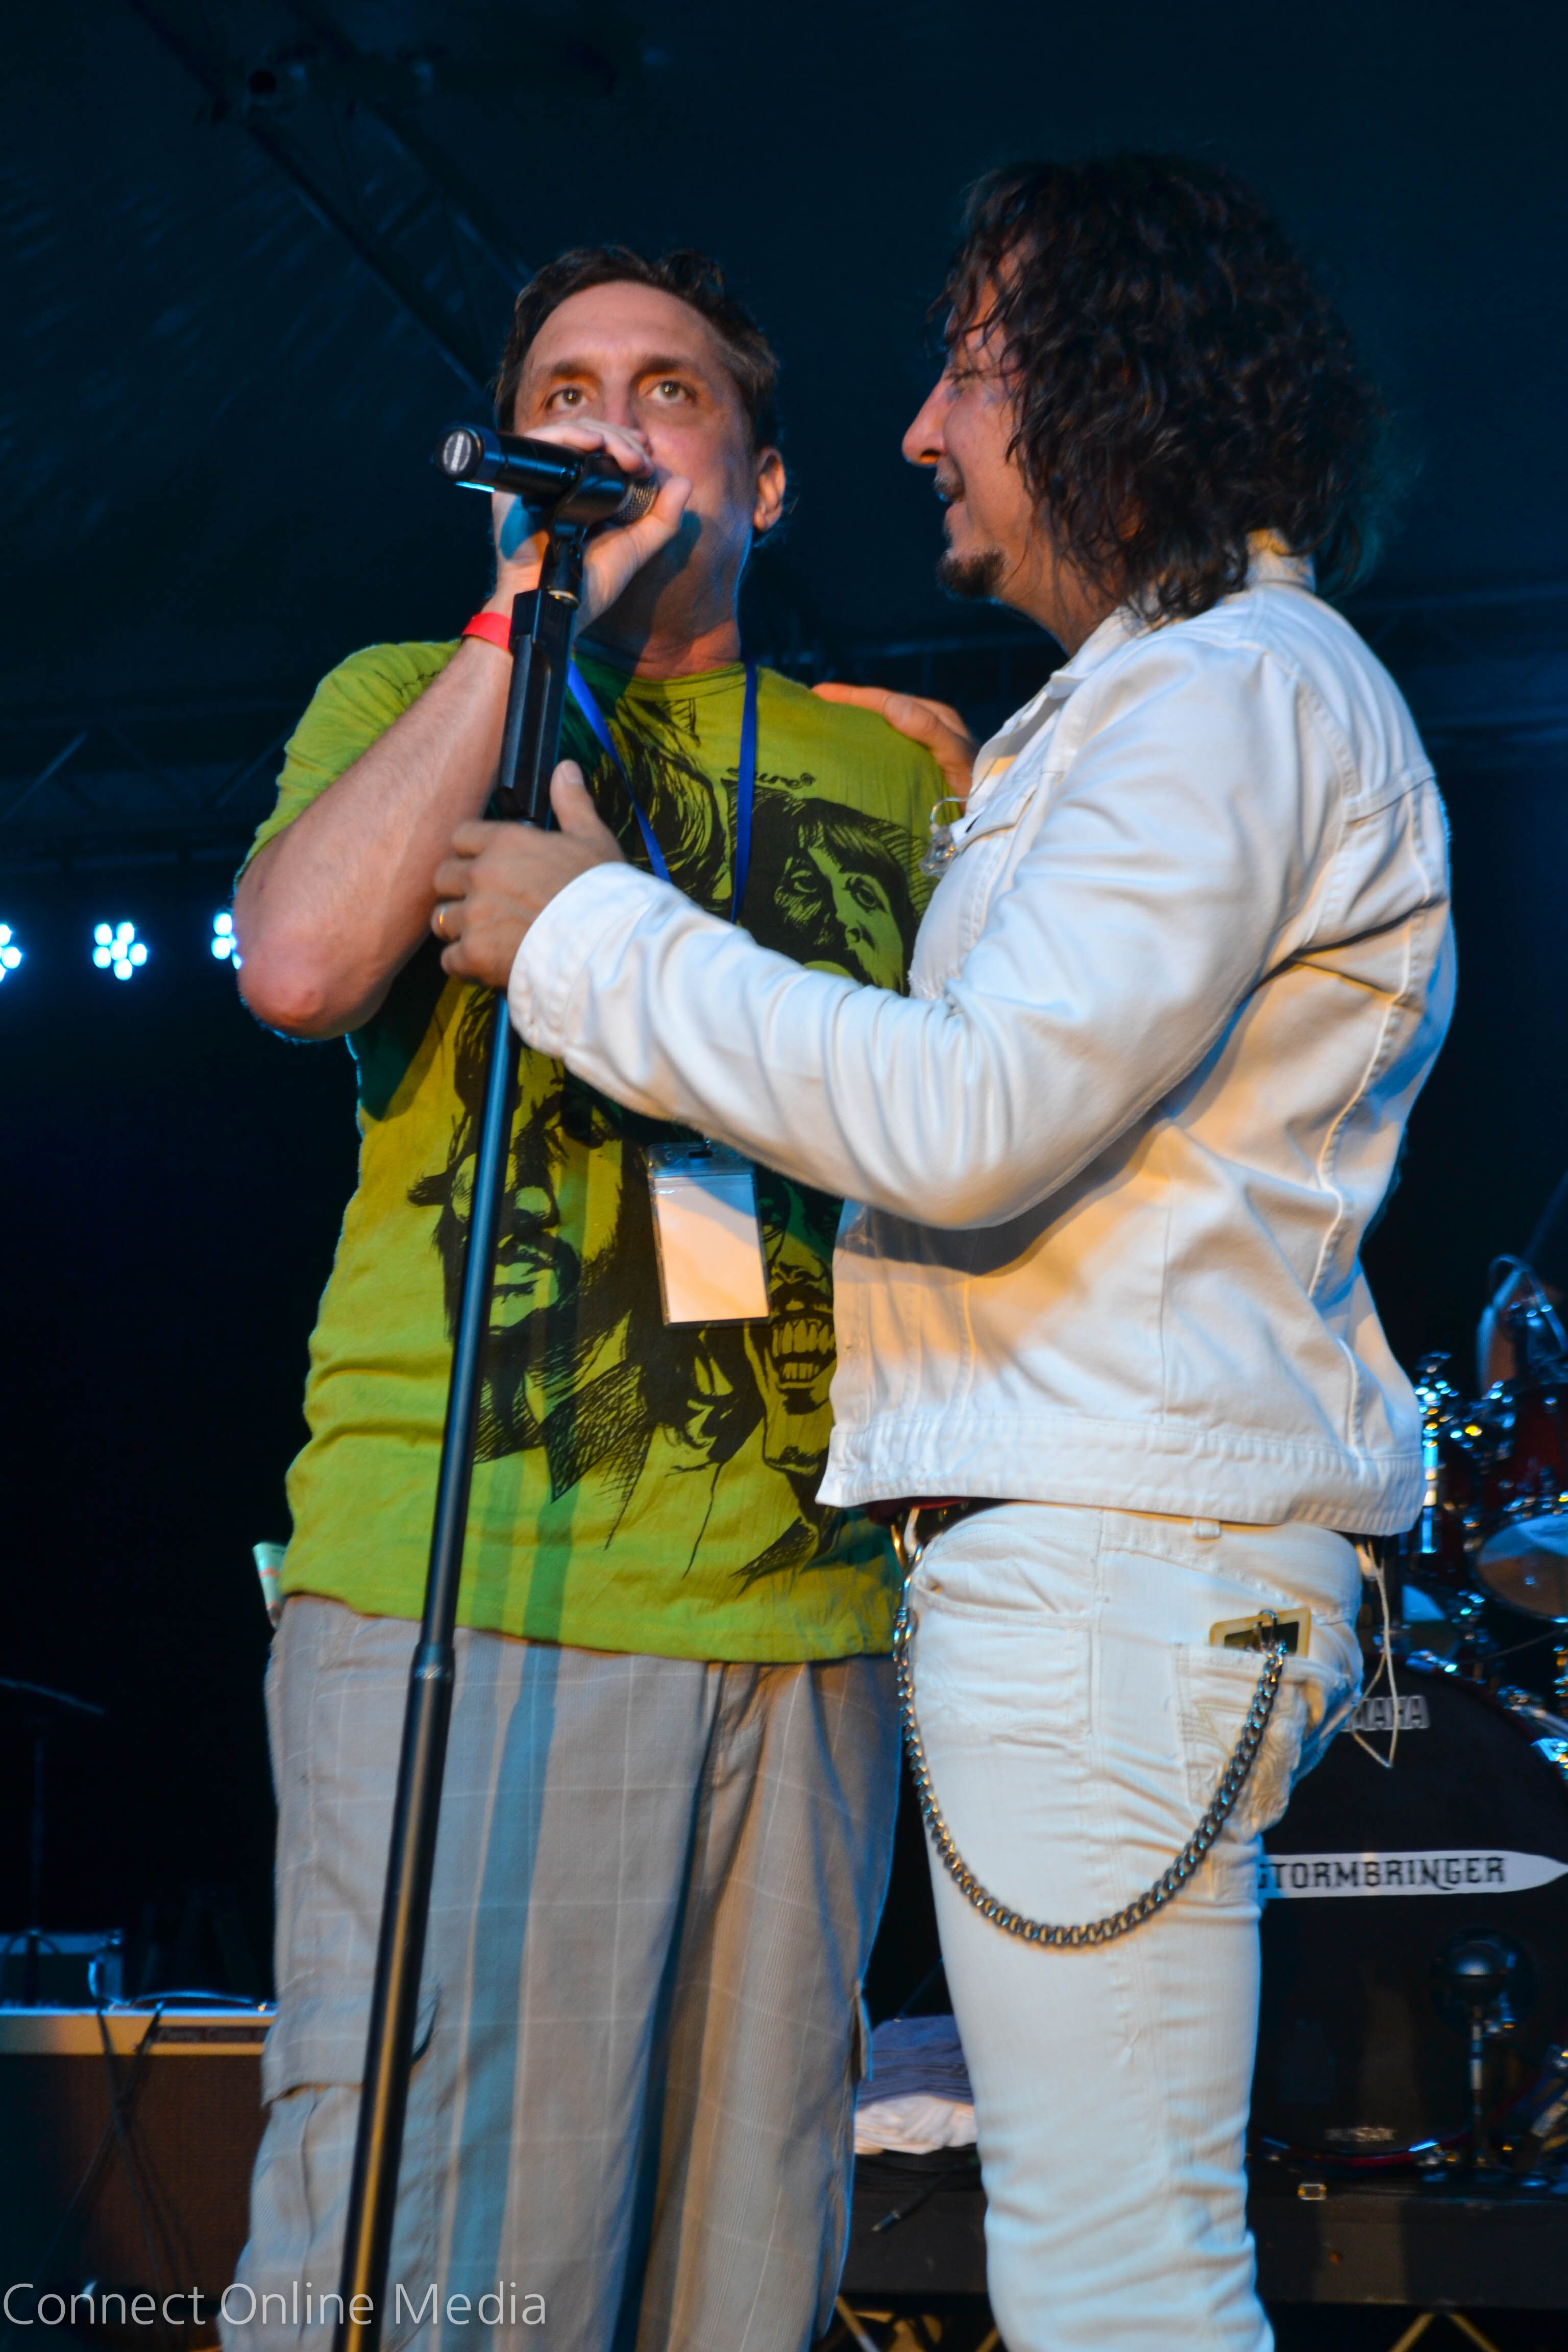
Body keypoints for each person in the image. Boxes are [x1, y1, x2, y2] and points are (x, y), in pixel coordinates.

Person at [431, 160, 1456, 2351]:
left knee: (1117, 2282)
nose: (921, 429)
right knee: (1113, 2264)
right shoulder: (1178, 701)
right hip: (1108, 1557)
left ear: (1110, 380)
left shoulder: (1227, 692)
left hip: (1114, 1565)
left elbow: (975, 1117)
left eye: (971, 368)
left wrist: (587, 932)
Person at [229, 245, 949, 2352]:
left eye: (670, 390)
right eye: (566, 391)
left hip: (813, 1618)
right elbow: (297, 968)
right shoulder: (407, 694)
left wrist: (973, 784)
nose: (614, 423)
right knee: (445, 2258)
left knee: (743, 2274)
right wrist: (518, 622)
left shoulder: (894, 774)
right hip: (475, 1577)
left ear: (770, 482)